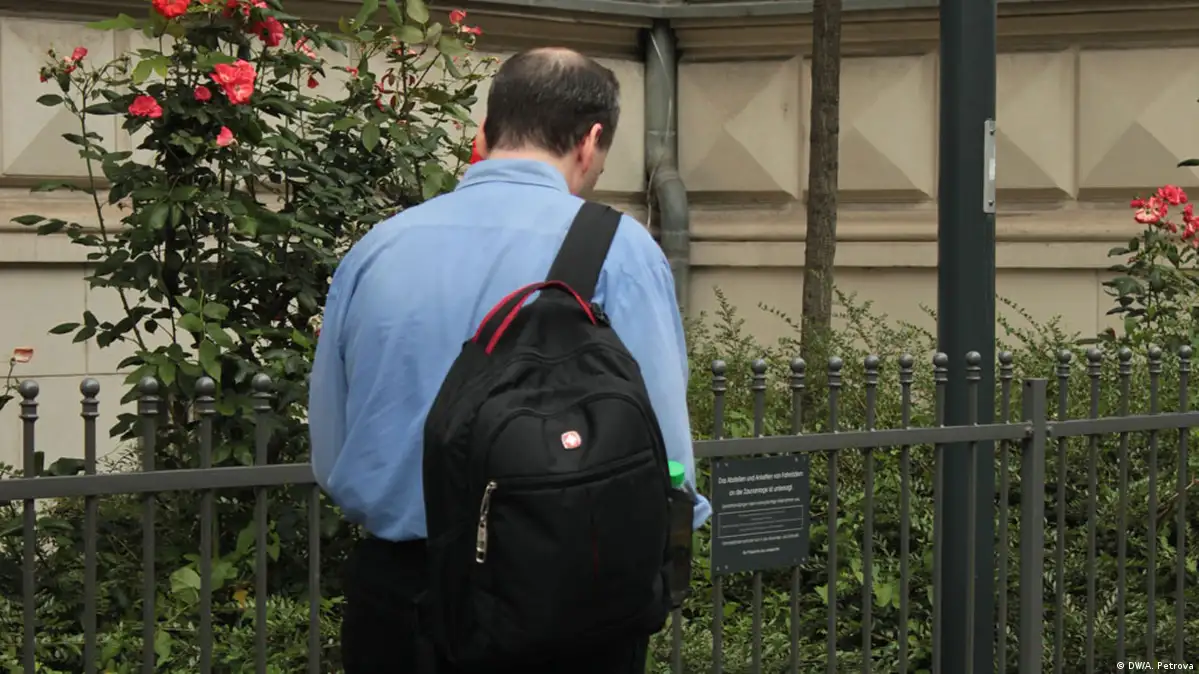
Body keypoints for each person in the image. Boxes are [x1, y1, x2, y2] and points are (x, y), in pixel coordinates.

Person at [309, 46, 710, 674]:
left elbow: (333, 451)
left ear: (486, 131)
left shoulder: (377, 249)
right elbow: (665, 458)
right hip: (564, 600)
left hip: (399, 603)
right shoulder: (620, 251)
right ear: (591, 141)